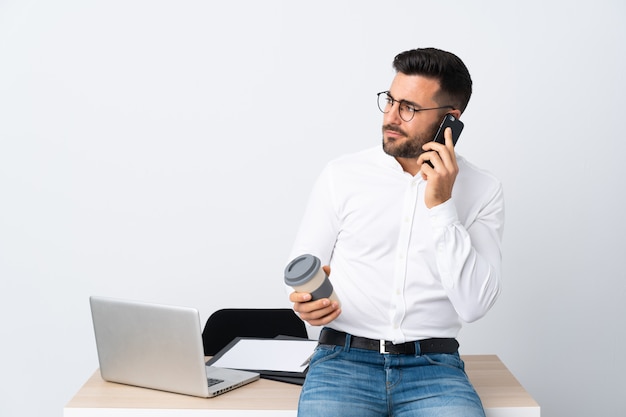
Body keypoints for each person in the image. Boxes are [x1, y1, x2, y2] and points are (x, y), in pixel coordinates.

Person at [286, 47, 504, 417]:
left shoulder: (483, 189)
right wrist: (307, 304)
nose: (391, 116)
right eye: (390, 101)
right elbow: (303, 268)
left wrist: (442, 206)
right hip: (343, 362)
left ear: (450, 119)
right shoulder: (342, 176)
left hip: (434, 369)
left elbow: (473, 305)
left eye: (409, 108)